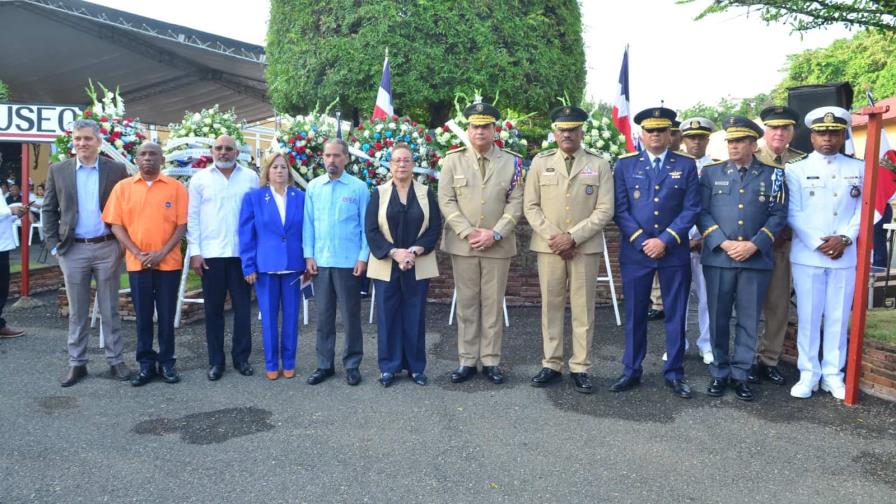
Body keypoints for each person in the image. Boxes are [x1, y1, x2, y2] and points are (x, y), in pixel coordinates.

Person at [611, 107, 700, 399]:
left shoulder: (686, 165)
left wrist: (665, 240)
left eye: (661, 131)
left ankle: (674, 372)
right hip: (636, 253)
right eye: (650, 131)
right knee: (636, 314)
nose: (656, 136)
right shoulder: (625, 165)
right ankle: (631, 370)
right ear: (641, 134)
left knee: (675, 314)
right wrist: (642, 241)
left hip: (673, 251)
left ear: (670, 134)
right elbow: (620, 210)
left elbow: (691, 208)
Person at [525, 106, 614, 394]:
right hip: (549, 247)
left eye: (572, 129)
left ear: (581, 132)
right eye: (562, 130)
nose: (567, 134)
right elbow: (530, 206)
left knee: (583, 309)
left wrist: (573, 237)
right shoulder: (540, 162)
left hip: (584, 248)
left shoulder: (599, 164)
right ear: (555, 132)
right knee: (550, 306)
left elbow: (605, 209)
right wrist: (556, 237)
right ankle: (551, 363)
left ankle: (581, 366)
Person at [698, 117, 788, 401]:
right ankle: (719, 372)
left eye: (739, 141)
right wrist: (721, 241)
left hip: (754, 259)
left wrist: (755, 244)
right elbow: (700, 212)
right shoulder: (711, 173)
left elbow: (778, 215)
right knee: (719, 318)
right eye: (730, 141)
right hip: (719, 258)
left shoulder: (773, 174)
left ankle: (741, 373)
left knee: (749, 319)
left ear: (753, 144)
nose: (733, 146)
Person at [437, 102, 524, 385]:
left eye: (485, 126)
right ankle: (467, 360)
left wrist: (495, 233)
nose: (480, 131)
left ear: (494, 129)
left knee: (492, 303)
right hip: (464, 245)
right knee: (467, 304)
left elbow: (516, 203)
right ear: (469, 129)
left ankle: (490, 360)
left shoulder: (512, 161)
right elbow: (446, 200)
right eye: (475, 126)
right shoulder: (452, 161)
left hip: (497, 246)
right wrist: (467, 232)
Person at [43, 119, 130, 387]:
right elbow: (49, 209)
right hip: (73, 249)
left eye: (87, 139)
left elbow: (127, 206)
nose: (82, 143)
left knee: (109, 307)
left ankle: (116, 360)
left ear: (99, 141)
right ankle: (77, 364)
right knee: (78, 311)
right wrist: (54, 245)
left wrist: (122, 244)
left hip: (107, 247)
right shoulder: (58, 170)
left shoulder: (116, 170)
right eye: (78, 138)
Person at [786, 106, 863, 401]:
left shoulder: (858, 168)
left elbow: (864, 210)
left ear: (843, 134)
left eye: (833, 132)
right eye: (821, 133)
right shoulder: (796, 169)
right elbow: (792, 212)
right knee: (808, 315)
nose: (827, 138)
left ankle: (833, 374)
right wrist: (820, 243)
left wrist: (844, 238)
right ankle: (808, 373)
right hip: (808, 255)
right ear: (813, 136)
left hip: (845, 254)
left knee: (837, 316)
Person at [102, 142, 187, 386]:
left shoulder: (176, 188)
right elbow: (115, 224)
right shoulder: (123, 188)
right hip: (137, 263)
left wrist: (161, 253)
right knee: (143, 317)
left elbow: (181, 225)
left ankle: (167, 363)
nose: (147, 158)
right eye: (143, 154)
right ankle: (146, 365)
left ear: (162, 159)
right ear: (136, 159)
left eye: (153, 154)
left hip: (168, 263)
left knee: (167, 315)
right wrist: (137, 252)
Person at [365, 143, 441, 387]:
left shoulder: (426, 193)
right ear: (390, 164)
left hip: (417, 262)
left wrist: (414, 251)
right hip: (387, 263)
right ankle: (388, 367)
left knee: (415, 315)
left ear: (412, 164)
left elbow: (435, 228)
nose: (401, 164)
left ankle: (416, 367)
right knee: (387, 316)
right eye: (397, 160)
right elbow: (371, 229)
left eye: (406, 160)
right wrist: (394, 253)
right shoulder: (378, 193)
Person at [187, 135, 259, 381]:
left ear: (237, 153)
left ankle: (241, 359)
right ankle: (216, 362)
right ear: (212, 151)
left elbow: (257, 215)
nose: (224, 152)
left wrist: (256, 253)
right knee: (213, 311)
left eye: (229, 149)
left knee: (243, 310)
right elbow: (193, 218)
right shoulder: (199, 180)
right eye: (219, 148)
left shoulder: (250, 178)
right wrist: (195, 252)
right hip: (212, 256)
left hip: (242, 255)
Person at [303, 139, 369, 386]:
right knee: (323, 316)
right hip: (320, 262)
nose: (332, 160)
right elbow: (308, 224)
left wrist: (363, 257)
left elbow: (366, 227)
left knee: (351, 317)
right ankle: (324, 365)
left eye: (337, 156)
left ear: (346, 158)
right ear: (323, 158)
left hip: (348, 262)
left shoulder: (359, 188)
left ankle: (352, 364)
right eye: (328, 155)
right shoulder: (313, 187)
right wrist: (308, 255)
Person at [750, 105, 806, 386]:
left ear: (793, 131)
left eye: (785, 128)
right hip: (752, 245)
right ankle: (745, 358)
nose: (780, 133)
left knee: (778, 306)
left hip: (784, 246)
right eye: (774, 128)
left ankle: (769, 359)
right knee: (747, 306)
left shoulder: (802, 162)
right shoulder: (749, 156)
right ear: (765, 131)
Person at [238, 152, 306, 381]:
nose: (279, 171)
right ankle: (270, 363)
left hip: (293, 267)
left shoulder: (300, 197)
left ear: (289, 172)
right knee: (268, 318)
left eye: (283, 167)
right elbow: (246, 235)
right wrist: (248, 266)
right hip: (265, 267)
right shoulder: (254, 198)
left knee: (291, 317)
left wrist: (308, 260)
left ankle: (289, 361)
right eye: (275, 167)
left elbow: (308, 231)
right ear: (267, 172)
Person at [678, 117, 718, 365]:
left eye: (701, 137)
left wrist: (706, 237)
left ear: (707, 139)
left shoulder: (717, 168)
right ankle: (677, 343)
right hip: (678, 244)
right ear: (683, 140)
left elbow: (721, 208)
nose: (696, 141)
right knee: (678, 297)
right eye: (691, 137)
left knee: (707, 297)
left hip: (707, 243)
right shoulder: (675, 166)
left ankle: (706, 344)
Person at [0, 192, 28, 339]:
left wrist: (16, 215)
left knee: (3, 288)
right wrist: (9, 211)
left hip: (2, 245)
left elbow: (3, 218)